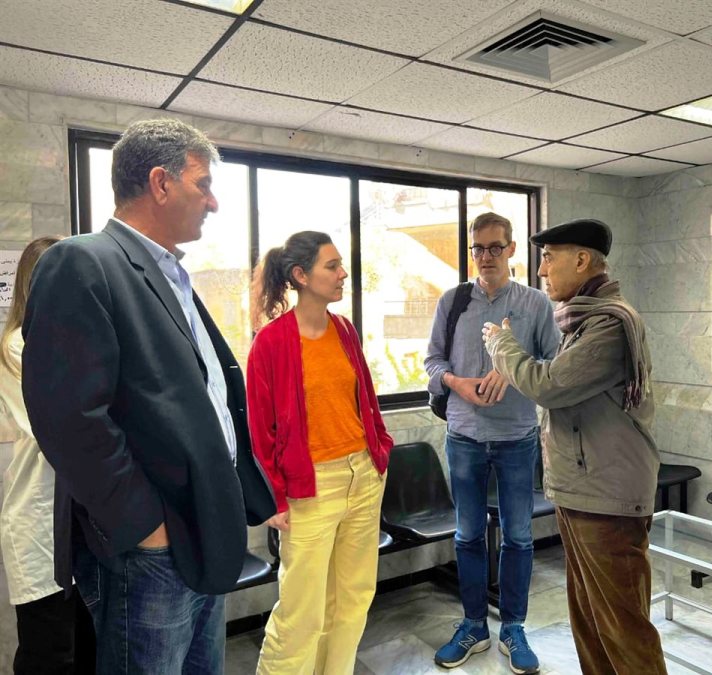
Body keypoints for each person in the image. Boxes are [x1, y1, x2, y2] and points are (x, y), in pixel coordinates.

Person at [20, 118, 276, 674]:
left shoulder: (172, 275)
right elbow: (70, 419)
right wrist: (145, 528)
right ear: (161, 183)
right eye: (202, 185)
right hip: (153, 546)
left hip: (200, 529)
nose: (213, 203)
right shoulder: (83, 261)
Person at [483, 218, 666, 675]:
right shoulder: (580, 320)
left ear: (582, 260)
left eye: (549, 258)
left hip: (607, 496)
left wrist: (502, 346)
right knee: (590, 621)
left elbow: (548, 385)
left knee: (623, 629)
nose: (541, 270)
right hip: (582, 489)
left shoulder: (608, 324)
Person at [247, 231, 393, 675]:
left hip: (363, 477)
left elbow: (365, 399)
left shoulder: (344, 330)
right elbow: (259, 431)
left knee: (353, 600)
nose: (343, 273)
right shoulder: (270, 342)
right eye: (332, 266)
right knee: (301, 613)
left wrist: (379, 451)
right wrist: (273, 498)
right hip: (309, 488)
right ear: (301, 275)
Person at [425, 211, 559, 674]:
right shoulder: (453, 301)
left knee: (519, 536)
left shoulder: (536, 303)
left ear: (511, 249)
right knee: (467, 535)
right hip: (463, 436)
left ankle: (514, 628)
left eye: (495, 247)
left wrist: (513, 369)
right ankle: (473, 626)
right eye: (478, 248)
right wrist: (455, 383)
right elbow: (432, 362)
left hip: (516, 438)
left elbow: (553, 366)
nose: (486, 256)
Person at [0, 236, 96, 674]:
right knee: (50, 653)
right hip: (39, 522)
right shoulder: (16, 346)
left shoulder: (76, 340)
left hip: (81, 522)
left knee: (87, 647)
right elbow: (56, 425)